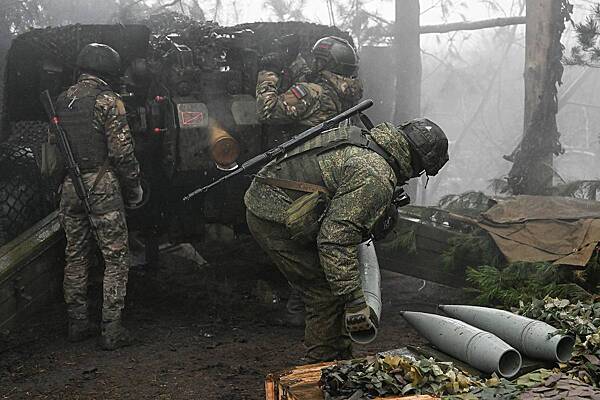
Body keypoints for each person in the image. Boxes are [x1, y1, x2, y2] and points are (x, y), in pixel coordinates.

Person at [244, 119, 449, 361]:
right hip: (272, 214)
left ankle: (338, 358)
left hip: (275, 199)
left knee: (334, 281)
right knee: (325, 294)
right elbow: (334, 240)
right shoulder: (375, 174)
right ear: (417, 161)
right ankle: (321, 368)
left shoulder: (367, 141)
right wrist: (354, 301)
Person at [256, 36, 363, 325]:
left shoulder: (311, 92)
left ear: (323, 64)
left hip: (306, 173)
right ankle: (323, 304)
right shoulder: (349, 91)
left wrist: (267, 74)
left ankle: (301, 309)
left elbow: (269, 111)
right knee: (324, 236)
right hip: (334, 171)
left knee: (299, 236)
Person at [52, 43, 143, 350]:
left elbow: (52, 154)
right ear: (109, 70)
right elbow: (122, 152)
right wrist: (134, 188)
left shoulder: (62, 100)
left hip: (69, 188)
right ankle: (112, 329)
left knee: (75, 255)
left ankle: (78, 323)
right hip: (101, 185)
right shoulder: (109, 101)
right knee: (116, 257)